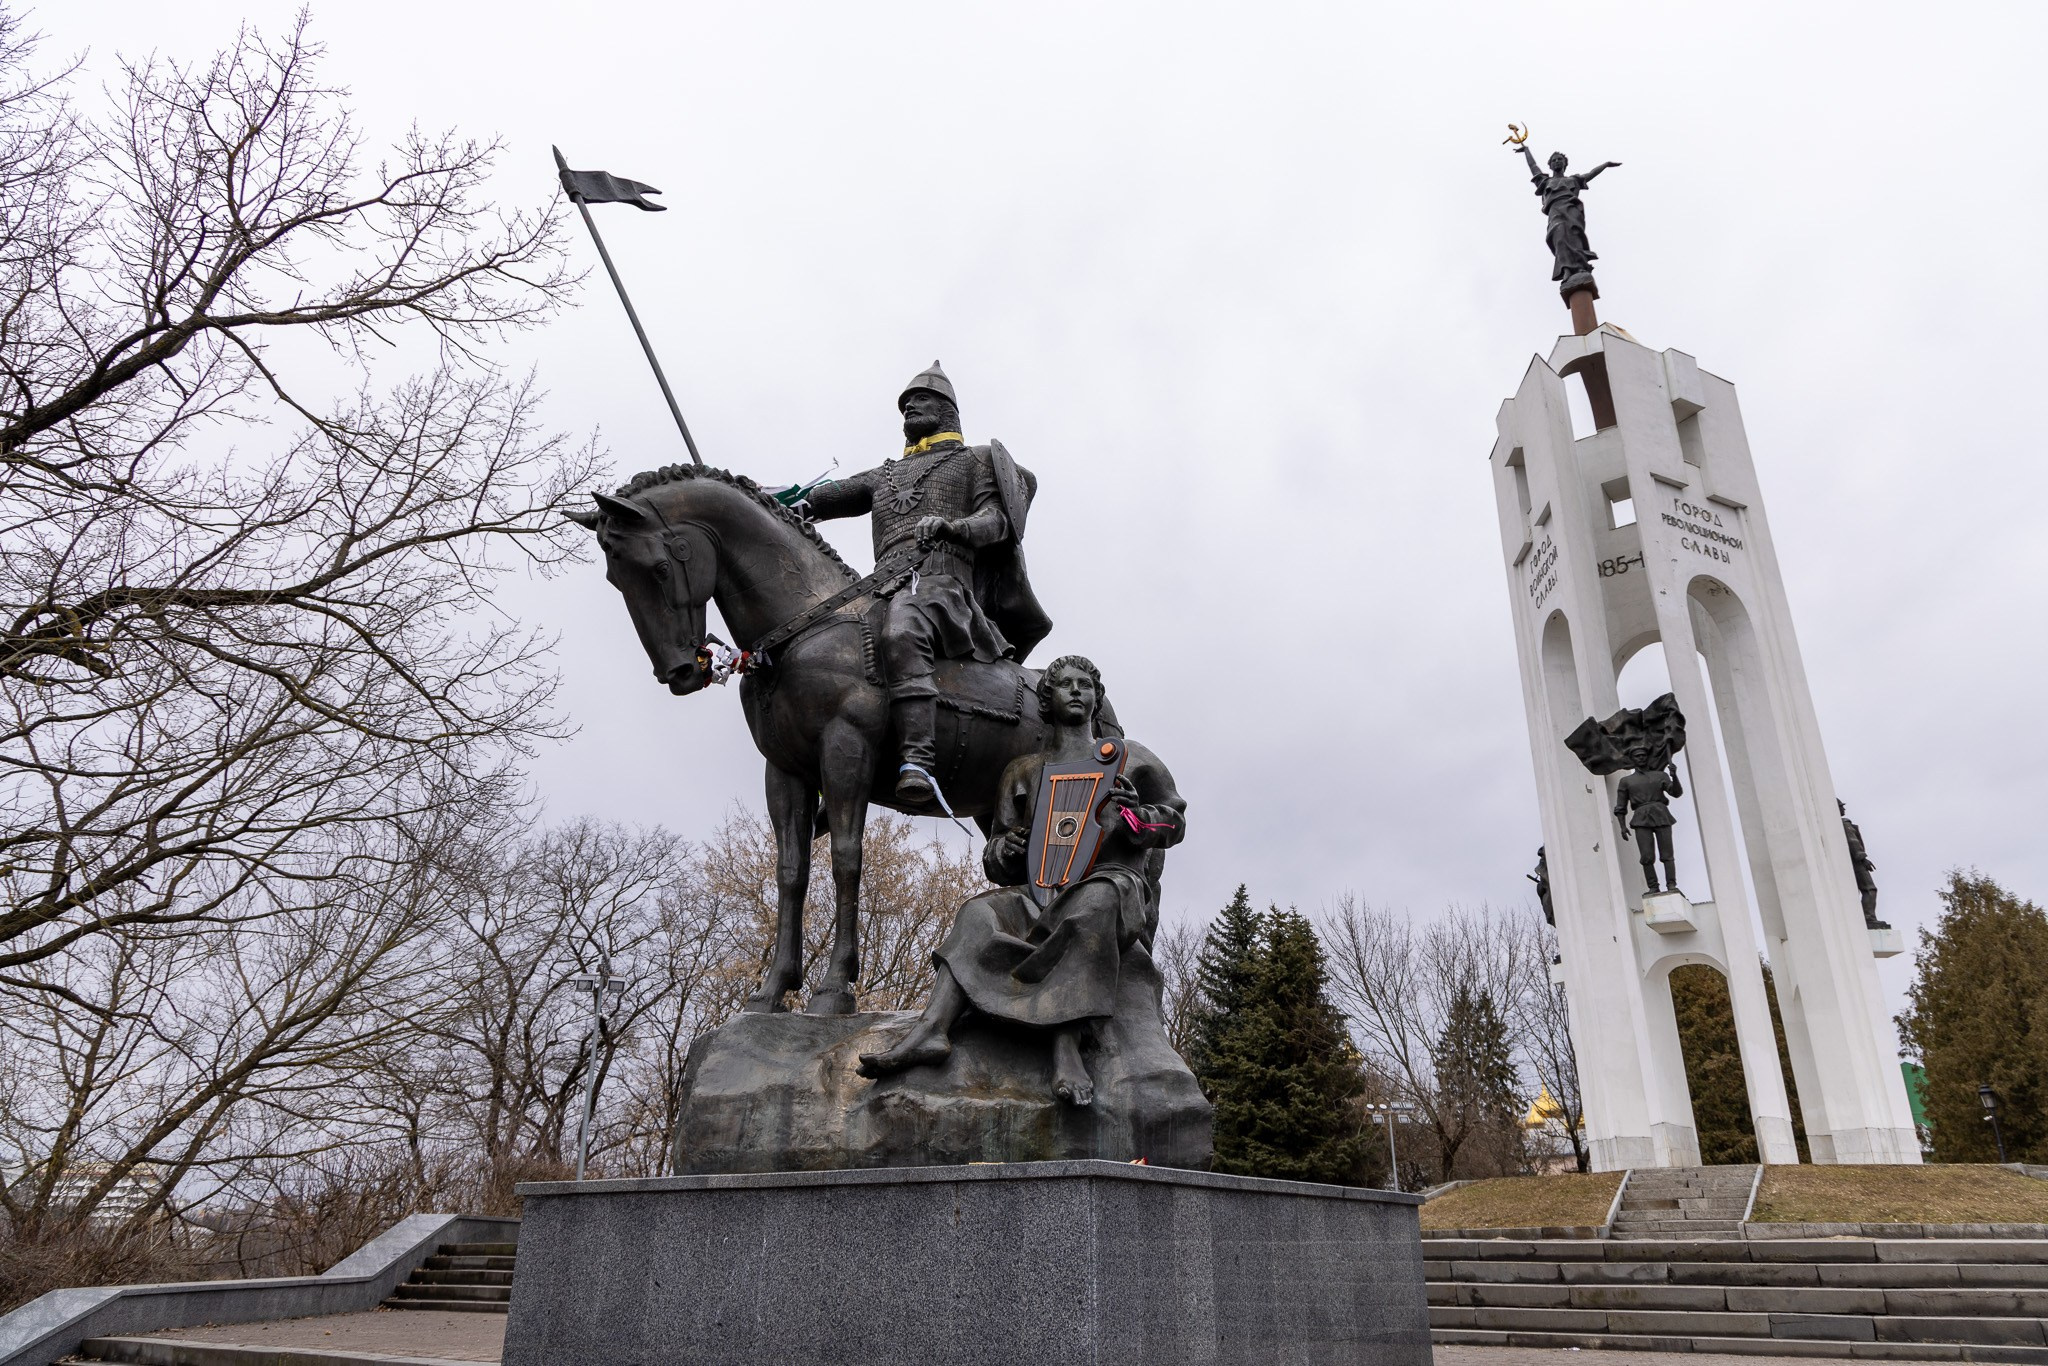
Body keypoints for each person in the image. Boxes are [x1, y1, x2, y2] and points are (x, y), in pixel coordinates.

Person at [857, 656, 1185, 1105]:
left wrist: (1136, 817)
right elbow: (997, 855)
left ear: (1096, 697)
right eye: (1063, 685)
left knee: (1094, 905)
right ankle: (932, 1030)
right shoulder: (1023, 770)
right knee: (979, 912)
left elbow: (1175, 822)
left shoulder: (1132, 760)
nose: (1075, 691)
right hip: (1039, 893)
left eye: (1084, 685)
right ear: (1046, 702)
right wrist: (1004, 850)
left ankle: (1066, 1046)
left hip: (1112, 883)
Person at [802, 362, 1050, 808]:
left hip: (942, 581)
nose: (909, 407)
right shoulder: (887, 473)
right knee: (823, 648)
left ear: (948, 409)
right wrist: (791, 504)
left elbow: (997, 520)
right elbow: (835, 494)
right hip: (879, 585)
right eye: (904, 404)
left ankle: (918, 758)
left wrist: (955, 529)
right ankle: (830, 774)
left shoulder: (974, 459)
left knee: (903, 629)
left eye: (920, 399)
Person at [1512, 145, 1621, 291]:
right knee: (1559, 235)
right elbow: (1533, 166)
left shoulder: (1574, 179)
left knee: (1574, 235)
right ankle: (1566, 270)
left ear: (1565, 163)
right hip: (1555, 211)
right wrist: (1526, 150)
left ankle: (1580, 267)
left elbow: (1592, 173)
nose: (1557, 162)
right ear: (1550, 165)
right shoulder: (1545, 182)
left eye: (1560, 160)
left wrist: (1606, 165)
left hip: (1572, 209)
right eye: (1554, 160)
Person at [1614, 744, 1683, 894]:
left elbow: (1676, 793)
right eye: (1638, 756)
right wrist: (1622, 826)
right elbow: (1620, 806)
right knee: (1646, 856)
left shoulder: (1660, 775)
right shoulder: (1626, 781)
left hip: (1661, 814)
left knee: (1667, 854)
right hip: (1640, 817)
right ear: (1632, 759)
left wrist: (1674, 776)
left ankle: (1671, 884)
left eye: (1643, 755)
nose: (1641, 758)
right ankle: (1653, 886)